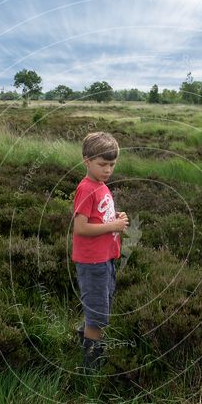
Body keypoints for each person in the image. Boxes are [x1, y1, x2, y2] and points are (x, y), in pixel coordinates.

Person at [71, 132, 129, 373]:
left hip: (105, 259)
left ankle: (81, 341)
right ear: (87, 161)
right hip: (92, 263)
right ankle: (90, 368)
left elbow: (98, 217)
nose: (107, 170)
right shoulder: (86, 189)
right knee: (98, 315)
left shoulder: (101, 186)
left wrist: (116, 218)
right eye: (102, 164)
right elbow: (80, 227)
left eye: (112, 165)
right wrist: (113, 227)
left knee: (100, 307)